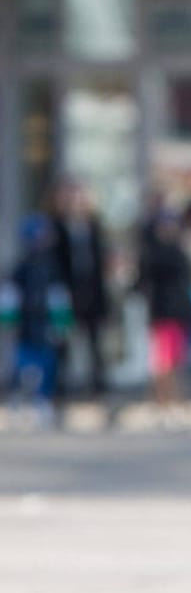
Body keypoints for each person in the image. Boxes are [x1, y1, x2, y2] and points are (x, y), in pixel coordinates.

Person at [49, 178, 114, 423]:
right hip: (66, 297)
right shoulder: (55, 227)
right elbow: (52, 265)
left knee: (96, 350)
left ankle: (102, 399)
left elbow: (100, 267)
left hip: (92, 297)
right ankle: (59, 402)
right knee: (63, 351)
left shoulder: (93, 227)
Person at [136, 196, 191, 430]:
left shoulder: (177, 251)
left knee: (173, 364)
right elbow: (142, 280)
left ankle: (174, 406)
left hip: (177, 314)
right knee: (163, 365)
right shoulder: (154, 251)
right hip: (161, 314)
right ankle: (164, 406)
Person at [3, 215, 71, 429]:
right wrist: (8, 320)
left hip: (45, 325)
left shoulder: (52, 267)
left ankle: (43, 403)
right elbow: (9, 295)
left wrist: (61, 322)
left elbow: (59, 297)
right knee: (22, 365)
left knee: (48, 364)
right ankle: (18, 402)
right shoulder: (21, 267)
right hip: (25, 325)